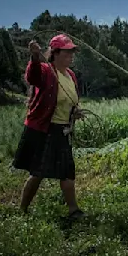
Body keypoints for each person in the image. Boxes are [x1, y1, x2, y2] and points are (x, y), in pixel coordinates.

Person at [12, 33, 86, 219]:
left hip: (62, 130)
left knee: (67, 172)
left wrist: (75, 113)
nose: (71, 56)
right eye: (67, 52)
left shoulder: (71, 76)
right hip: (45, 130)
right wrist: (35, 57)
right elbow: (32, 76)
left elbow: (71, 102)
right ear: (55, 53)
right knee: (38, 173)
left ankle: (73, 210)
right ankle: (22, 210)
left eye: (72, 52)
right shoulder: (45, 71)